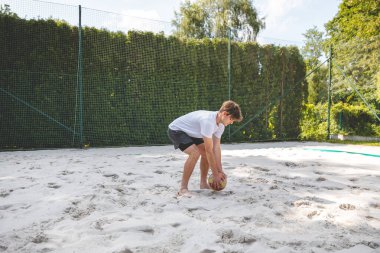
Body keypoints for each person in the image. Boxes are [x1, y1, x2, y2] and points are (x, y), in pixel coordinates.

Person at [167, 100, 243, 197]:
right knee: (195, 153)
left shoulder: (220, 125)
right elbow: (209, 151)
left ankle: (203, 184)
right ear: (225, 114)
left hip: (193, 132)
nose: (231, 122)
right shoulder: (208, 122)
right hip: (177, 130)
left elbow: (216, 148)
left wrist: (220, 171)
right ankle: (183, 189)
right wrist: (215, 174)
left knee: (206, 154)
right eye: (231, 119)